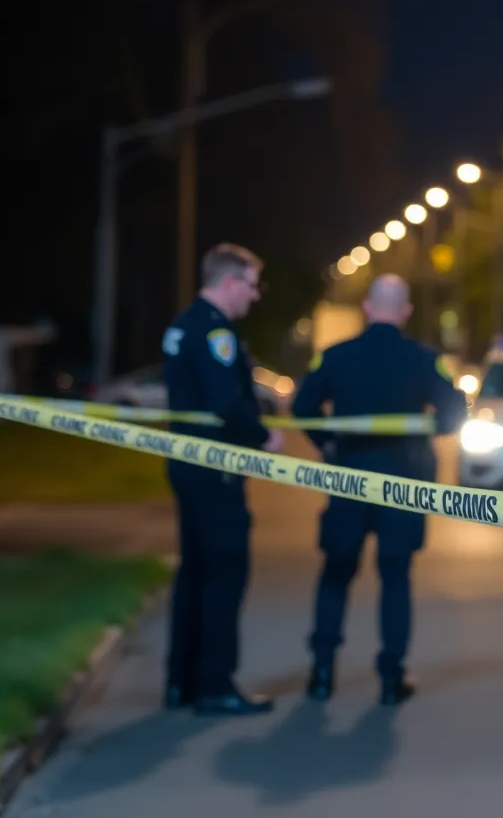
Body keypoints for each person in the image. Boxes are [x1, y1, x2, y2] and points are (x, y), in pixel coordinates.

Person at [292, 274, 467, 706]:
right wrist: (432, 431)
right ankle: (392, 678)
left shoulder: (336, 356)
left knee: (336, 573)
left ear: (368, 308)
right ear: (405, 311)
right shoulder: (423, 359)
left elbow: (301, 408)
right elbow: (454, 410)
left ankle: (322, 671)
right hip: (404, 485)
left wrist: (328, 444)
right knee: (396, 578)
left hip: (348, 479)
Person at [161, 242, 284, 716]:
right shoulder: (216, 333)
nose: (254, 297)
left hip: (186, 464)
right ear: (230, 282)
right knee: (225, 575)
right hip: (217, 470)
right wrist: (261, 438)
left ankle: (181, 681)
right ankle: (215, 684)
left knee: (193, 572)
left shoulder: (182, 324)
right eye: (251, 286)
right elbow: (226, 402)